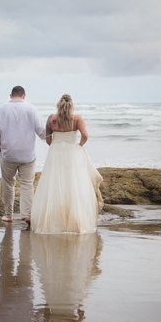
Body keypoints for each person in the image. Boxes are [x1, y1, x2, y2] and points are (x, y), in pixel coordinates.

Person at [31, 94, 104, 234]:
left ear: (58, 105)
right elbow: (85, 135)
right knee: (74, 184)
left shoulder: (51, 119)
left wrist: (56, 146)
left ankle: (54, 220)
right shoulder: (77, 118)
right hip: (72, 152)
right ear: (72, 105)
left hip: (55, 152)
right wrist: (79, 146)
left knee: (55, 183)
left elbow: (47, 140)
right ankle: (74, 220)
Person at [0, 86, 46, 224]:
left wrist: (1, 149)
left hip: (8, 153)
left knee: (8, 183)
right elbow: (41, 131)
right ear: (24, 96)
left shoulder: (1, 108)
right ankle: (27, 214)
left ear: (11, 96)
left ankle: (8, 215)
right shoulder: (31, 108)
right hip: (27, 154)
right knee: (27, 184)